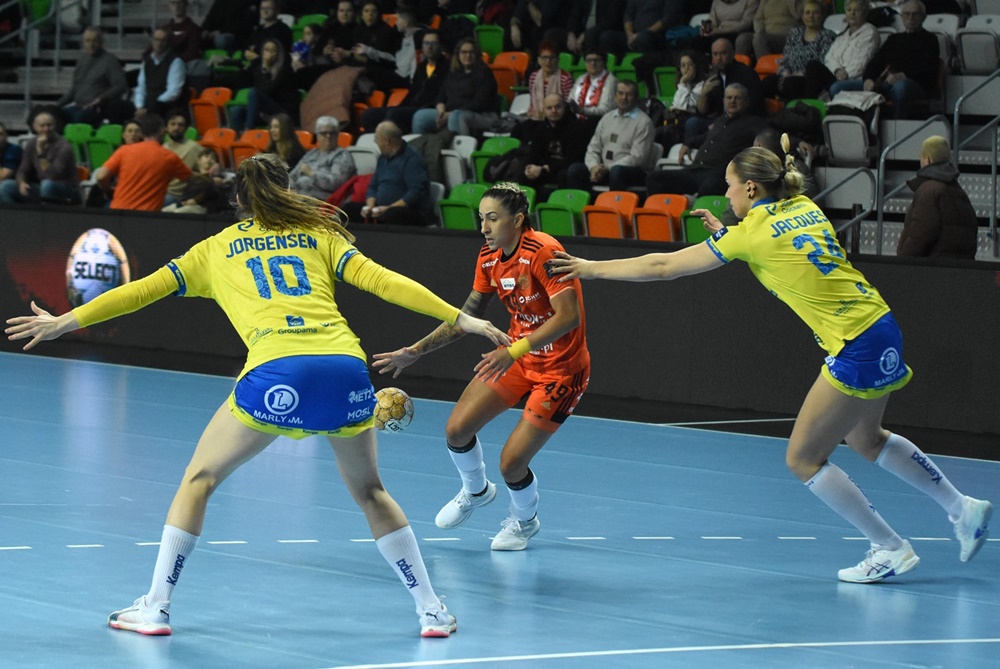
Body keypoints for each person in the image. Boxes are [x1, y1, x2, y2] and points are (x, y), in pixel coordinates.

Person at [6, 152, 510, 638]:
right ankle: (431, 609)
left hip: (278, 372)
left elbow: (140, 291)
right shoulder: (320, 235)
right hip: (346, 369)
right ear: (287, 190)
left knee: (199, 478)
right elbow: (383, 281)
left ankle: (155, 606)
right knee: (370, 492)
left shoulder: (214, 248)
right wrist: (459, 317)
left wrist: (66, 321)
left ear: (237, 201)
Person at [547, 136, 993, 583]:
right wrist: (726, 237)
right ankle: (963, 508)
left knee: (803, 459)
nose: (726, 195)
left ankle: (889, 547)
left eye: (729, 185)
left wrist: (590, 268)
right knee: (867, 439)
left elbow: (663, 267)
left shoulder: (749, 235)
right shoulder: (805, 205)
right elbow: (785, 247)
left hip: (854, 342)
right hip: (880, 324)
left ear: (751, 188)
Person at [373, 182, 590, 552]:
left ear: (517, 220)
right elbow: (466, 318)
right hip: (518, 357)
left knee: (511, 464)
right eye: (481, 218)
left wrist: (514, 350)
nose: (484, 227)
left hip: (560, 370)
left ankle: (524, 521)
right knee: (457, 430)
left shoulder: (544, 251)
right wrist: (416, 351)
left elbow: (569, 316)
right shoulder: (489, 257)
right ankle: (476, 491)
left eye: (492, 218)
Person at [647, 83, 764, 198]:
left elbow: (765, 139)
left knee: (710, 187)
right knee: (654, 178)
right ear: (724, 101)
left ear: (746, 101)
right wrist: (688, 143)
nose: (732, 101)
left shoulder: (754, 123)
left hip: (719, 174)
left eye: (737, 98)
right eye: (729, 97)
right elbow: (706, 137)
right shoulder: (720, 120)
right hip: (695, 169)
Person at [829, 0, 939, 120]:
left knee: (901, 87)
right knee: (837, 87)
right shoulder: (894, 39)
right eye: (906, 14)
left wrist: (903, 75)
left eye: (915, 14)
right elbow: (876, 62)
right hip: (886, 84)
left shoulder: (930, 39)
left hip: (914, 85)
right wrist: (869, 79)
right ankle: (852, 124)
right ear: (902, 16)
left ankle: (896, 125)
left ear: (924, 17)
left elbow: (928, 69)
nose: (910, 17)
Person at [565, 79, 655, 194]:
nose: (624, 98)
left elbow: (638, 158)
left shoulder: (644, 122)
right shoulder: (607, 118)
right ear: (615, 96)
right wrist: (593, 166)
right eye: (620, 93)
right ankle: (581, 204)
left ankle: (615, 205)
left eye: (629, 94)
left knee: (616, 171)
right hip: (605, 170)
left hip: (633, 172)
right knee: (575, 170)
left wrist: (608, 168)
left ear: (636, 98)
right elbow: (593, 147)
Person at [896, 135, 979, 259]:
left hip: (931, 267)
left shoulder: (929, 191)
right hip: (959, 267)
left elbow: (921, 235)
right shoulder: (959, 192)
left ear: (928, 159)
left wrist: (902, 260)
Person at [93, 113, 192, 211]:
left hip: (118, 213)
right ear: (162, 131)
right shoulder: (170, 157)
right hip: (146, 216)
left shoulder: (123, 151)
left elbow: (101, 176)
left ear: (141, 133)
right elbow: (191, 180)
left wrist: (109, 191)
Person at [342, 121, 431, 226]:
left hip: (409, 211)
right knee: (348, 210)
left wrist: (388, 208)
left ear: (386, 141)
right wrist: (370, 206)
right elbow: (373, 186)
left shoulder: (412, 159)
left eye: (377, 139)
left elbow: (416, 193)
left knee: (392, 214)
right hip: (381, 209)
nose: (376, 142)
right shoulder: (382, 158)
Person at [359, 30, 448, 134]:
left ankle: (392, 141)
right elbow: (412, 92)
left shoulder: (447, 68)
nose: (429, 47)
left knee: (395, 115)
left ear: (441, 46)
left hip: (426, 109)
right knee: (368, 115)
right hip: (411, 107)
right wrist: (400, 107)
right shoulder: (421, 67)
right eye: (426, 43)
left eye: (434, 43)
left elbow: (442, 96)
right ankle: (377, 141)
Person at [410, 37, 499, 138]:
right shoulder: (453, 72)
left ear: (477, 54)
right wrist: (441, 112)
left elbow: (478, 104)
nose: (468, 55)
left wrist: (449, 114)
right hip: (451, 112)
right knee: (420, 116)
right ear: (458, 54)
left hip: (482, 115)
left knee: (456, 116)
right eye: (464, 52)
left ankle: (461, 147)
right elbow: (441, 96)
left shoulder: (484, 73)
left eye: (471, 52)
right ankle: (424, 145)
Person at [688, 38, 764, 140]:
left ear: (733, 54)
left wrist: (722, 123)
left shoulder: (747, 74)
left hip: (742, 121)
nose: (719, 58)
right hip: (720, 120)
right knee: (692, 123)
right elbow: (702, 112)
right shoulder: (713, 76)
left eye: (723, 53)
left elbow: (754, 107)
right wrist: (704, 93)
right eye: (715, 54)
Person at [804, 0, 880, 101]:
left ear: (865, 13)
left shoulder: (870, 32)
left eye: (857, 10)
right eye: (849, 10)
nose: (852, 13)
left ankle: (811, 105)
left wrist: (844, 75)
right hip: (836, 76)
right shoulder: (843, 36)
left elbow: (861, 64)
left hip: (852, 80)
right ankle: (808, 105)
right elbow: (829, 58)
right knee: (795, 81)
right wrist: (837, 70)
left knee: (813, 68)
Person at [760, 0, 835, 101]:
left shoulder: (828, 36)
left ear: (822, 16)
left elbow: (822, 63)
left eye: (815, 13)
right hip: (789, 75)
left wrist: (798, 74)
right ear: (802, 16)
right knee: (767, 81)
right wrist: (785, 72)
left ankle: (796, 109)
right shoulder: (794, 33)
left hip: (811, 79)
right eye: (807, 12)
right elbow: (785, 57)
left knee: (791, 83)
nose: (811, 16)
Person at [0, 111, 80, 205]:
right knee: (6, 186)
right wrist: (22, 182)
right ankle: (14, 214)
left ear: (55, 126)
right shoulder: (31, 143)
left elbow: (53, 175)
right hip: (41, 187)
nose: (46, 129)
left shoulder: (64, 146)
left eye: (49, 125)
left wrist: (41, 153)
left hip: (66, 188)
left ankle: (46, 214)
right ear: (35, 127)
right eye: (42, 126)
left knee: (47, 184)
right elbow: (22, 170)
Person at [517, 95, 588, 197]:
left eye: (557, 107)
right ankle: (528, 206)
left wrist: (545, 168)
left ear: (564, 107)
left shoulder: (577, 127)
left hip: (563, 168)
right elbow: (533, 153)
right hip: (545, 168)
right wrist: (529, 167)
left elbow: (574, 158)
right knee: (524, 175)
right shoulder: (540, 129)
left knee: (563, 175)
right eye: (549, 108)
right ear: (544, 110)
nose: (554, 111)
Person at [57, 26, 130, 126]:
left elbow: (121, 85)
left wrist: (100, 99)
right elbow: (74, 90)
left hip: (96, 108)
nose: (91, 44)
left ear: (101, 42)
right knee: (51, 114)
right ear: (83, 43)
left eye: (94, 41)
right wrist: (58, 104)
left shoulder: (110, 61)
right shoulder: (82, 60)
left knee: (78, 118)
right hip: (78, 106)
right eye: (88, 41)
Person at [230, 39, 301, 133]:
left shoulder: (285, 70)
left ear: (279, 53)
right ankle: (240, 139)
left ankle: (248, 131)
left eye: (273, 50)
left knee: (254, 92)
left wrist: (266, 67)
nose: (269, 53)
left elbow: (267, 90)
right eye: (266, 49)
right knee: (236, 111)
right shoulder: (259, 70)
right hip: (266, 111)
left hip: (284, 111)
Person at [289, 116, 357, 200]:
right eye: (324, 133)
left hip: (323, 200)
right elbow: (293, 175)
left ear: (337, 136)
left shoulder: (342, 155)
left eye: (332, 133)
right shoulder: (311, 154)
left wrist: (312, 174)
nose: (328, 136)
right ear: (317, 136)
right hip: (298, 197)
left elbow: (336, 184)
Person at [654, 50, 708, 151]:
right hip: (677, 120)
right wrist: (683, 84)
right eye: (683, 65)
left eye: (690, 65)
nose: (686, 69)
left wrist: (683, 83)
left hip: (692, 119)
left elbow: (689, 106)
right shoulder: (682, 84)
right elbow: (676, 105)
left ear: (696, 66)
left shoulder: (703, 84)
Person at [134, 28, 188, 120]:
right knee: (118, 106)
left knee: (155, 107)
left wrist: (150, 107)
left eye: (163, 41)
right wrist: (139, 106)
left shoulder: (176, 62)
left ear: (168, 43)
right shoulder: (147, 62)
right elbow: (141, 88)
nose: (159, 44)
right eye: (156, 40)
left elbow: (173, 93)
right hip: (147, 104)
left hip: (165, 105)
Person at [162, 147, 230, 214]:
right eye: (206, 156)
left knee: (176, 213)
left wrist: (195, 200)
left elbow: (210, 192)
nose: (209, 159)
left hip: (201, 206)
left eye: (213, 158)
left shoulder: (216, 178)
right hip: (185, 203)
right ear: (199, 160)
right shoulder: (194, 177)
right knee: (163, 211)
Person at [566, 48, 618, 133]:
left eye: (597, 60)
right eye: (589, 60)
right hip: (578, 120)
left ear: (604, 62)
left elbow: (606, 110)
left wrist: (582, 110)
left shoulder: (610, 81)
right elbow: (570, 100)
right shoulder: (581, 78)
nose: (593, 63)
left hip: (599, 122)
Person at [525, 40, 574, 122]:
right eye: (544, 58)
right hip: (537, 118)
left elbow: (568, 105)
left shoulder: (565, 78)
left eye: (552, 58)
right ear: (539, 60)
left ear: (557, 59)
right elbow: (532, 103)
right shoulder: (533, 77)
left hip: (560, 119)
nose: (548, 61)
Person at [737, 0, 803, 60]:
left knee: (760, 40)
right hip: (767, 34)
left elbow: (799, 15)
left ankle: (766, 68)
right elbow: (758, 18)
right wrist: (759, 32)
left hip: (788, 36)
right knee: (743, 39)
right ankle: (740, 68)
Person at [163, 111, 203, 207]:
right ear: (166, 128)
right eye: (173, 124)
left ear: (185, 129)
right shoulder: (163, 148)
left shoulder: (194, 148)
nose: (176, 128)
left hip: (177, 196)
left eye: (180, 125)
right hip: (160, 192)